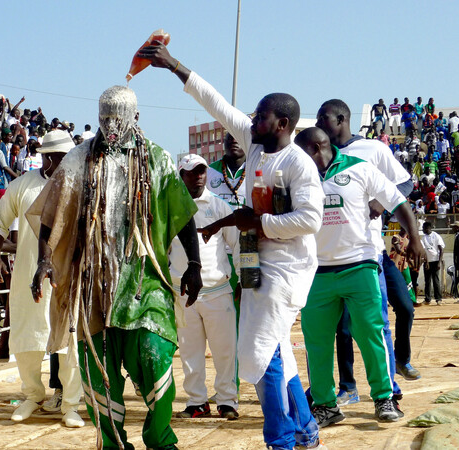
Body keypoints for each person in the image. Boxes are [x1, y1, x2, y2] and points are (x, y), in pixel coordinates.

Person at [141, 43, 324, 450]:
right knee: (277, 352)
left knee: (256, 355)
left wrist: (257, 222)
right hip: (259, 265)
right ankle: (306, 430)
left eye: (261, 115)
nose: (252, 119)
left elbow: (310, 220)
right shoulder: (257, 144)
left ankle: (281, 441)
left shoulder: (298, 164)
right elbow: (217, 103)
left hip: (288, 269)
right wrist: (173, 65)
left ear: (283, 123)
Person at [28, 86, 201, 450]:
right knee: (99, 371)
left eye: (118, 118)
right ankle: (113, 443)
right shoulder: (79, 158)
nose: (110, 126)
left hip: (144, 279)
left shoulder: (156, 158)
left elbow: (182, 214)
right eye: (104, 117)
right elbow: (51, 214)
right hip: (94, 285)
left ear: (135, 118)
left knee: (154, 355)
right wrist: (45, 259)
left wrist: (194, 264)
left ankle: (160, 437)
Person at [294, 127, 424, 426]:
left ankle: (384, 398)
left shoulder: (361, 169)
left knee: (371, 334)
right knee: (317, 342)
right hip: (315, 272)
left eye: (301, 153)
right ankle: (326, 405)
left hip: (359, 265)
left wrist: (414, 237)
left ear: (315, 148)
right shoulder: (299, 178)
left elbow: (398, 201)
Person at [315, 99, 419, 396]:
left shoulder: (373, 150)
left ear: (341, 119)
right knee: (344, 327)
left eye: (323, 118)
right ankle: (348, 387)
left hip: (370, 248)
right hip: (334, 252)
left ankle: (396, 372)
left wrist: (381, 200)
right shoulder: (317, 154)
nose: (320, 124)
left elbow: (405, 184)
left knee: (395, 313)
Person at [0, 130, 84, 427]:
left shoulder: (81, 186)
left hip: (68, 278)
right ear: (47, 157)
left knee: (70, 344)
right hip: (30, 276)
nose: (66, 161)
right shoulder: (23, 185)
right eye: (59, 156)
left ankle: (70, 403)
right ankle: (32, 395)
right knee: (28, 339)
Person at [171, 154, 239, 420]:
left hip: (217, 291)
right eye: (192, 171)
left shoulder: (220, 206)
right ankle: (197, 401)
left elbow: (236, 244)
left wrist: (243, 280)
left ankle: (227, 401)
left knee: (224, 351)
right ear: (182, 176)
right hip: (183, 293)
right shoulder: (171, 209)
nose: (199, 175)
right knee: (190, 354)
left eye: (202, 170)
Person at [206, 132, 246, 207]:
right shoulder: (209, 171)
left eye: (238, 138)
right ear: (224, 142)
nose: (234, 141)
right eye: (230, 138)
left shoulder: (255, 170)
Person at [420, 222, 445, 305]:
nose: (423, 230)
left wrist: (439, 262)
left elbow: (441, 249)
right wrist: (426, 262)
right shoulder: (423, 238)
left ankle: (438, 299)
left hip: (435, 261)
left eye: (424, 228)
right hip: (427, 261)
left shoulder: (436, 236)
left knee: (436, 280)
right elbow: (424, 251)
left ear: (428, 228)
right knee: (427, 281)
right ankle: (427, 299)